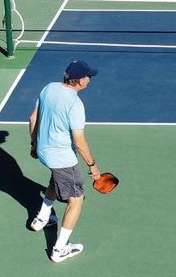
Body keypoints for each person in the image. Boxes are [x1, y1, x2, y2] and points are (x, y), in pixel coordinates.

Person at [28, 60, 101, 263]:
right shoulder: (75, 105)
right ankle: (59, 249)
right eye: (88, 76)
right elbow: (79, 142)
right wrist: (93, 166)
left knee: (56, 179)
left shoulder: (49, 88)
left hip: (43, 151)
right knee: (76, 201)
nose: (90, 78)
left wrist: (34, 144)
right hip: (63, 159)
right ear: (79, 80)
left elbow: (33, 118)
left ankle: (42, 218)